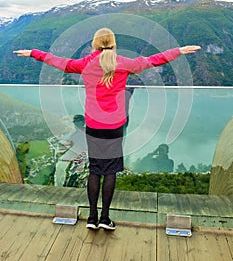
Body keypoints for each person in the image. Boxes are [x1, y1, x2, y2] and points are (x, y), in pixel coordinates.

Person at [13, 27, 201, 230]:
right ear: (113, 43)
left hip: (93, 125)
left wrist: (34, 53)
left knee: (95, 170)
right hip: (114, 125)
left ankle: (92, 219)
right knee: (110, 171)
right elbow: (152, 60)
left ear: (95, 44)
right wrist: (179, 51)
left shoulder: (85, 63)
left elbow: (58, 62)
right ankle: (105, 218)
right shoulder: (124, 63)